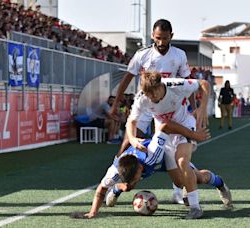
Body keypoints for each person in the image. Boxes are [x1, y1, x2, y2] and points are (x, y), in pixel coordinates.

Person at [109, 19, 196, 203]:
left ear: (171, 36)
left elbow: (189, 82)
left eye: (165, 38)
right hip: (144, 105)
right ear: (152, 36)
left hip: (167, 106)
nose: (161, 42)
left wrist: (194, 109)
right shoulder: (142, 55)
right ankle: (113, 182)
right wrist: (116, 102)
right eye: (158, 38)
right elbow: (127, 78)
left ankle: (178, 190)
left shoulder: (179, 55)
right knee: (127, 143)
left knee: (173, 150)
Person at [72, 121, 232, 219]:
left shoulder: (151, 154)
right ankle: (118, 189)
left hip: (166, 155)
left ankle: (220, 183)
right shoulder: (115, 170)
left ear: (140, 169)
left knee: (194, 179)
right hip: (136, 164)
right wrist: (93, 212)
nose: (137, 182)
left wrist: (193, 134)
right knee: (128, 187)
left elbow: (165, 126)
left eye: (136, 178)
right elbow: (100, 190)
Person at [126, 72, 210, 219]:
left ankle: (195, 208)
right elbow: (131, 121)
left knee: (182, 161)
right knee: (179, 181)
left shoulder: (174, 85)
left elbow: (204, 84)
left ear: (160, 85)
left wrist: (202, 107)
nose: (151, 97)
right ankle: (213, 180)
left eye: (153, 93)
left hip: (185, 125)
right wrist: (132, 139)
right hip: (165, 135)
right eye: (148, 94)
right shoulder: (142, 97)